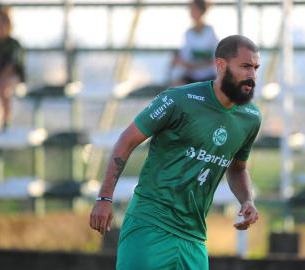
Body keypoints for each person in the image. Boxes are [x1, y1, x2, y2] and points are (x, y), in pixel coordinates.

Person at [90, 35, 261, 270]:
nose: (252, 75)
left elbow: (238, 168)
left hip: (194, 238)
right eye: (245, 66)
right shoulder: (178, 100)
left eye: (255, 68)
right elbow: (125, 142)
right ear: (220, 65)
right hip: (150, 226)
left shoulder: (250, 118)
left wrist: (247, 200)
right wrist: (104, 198)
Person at [170, 0, 218, 86]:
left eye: (194, 9)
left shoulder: (210, 31)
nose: (191, 11)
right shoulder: (188, 33)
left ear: (202, 11)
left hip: (209, 76)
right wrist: (177, 60)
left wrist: (197, 66)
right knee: (175, 87)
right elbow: (185, 57)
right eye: (191, 9)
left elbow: (215, 58)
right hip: (191, 76)